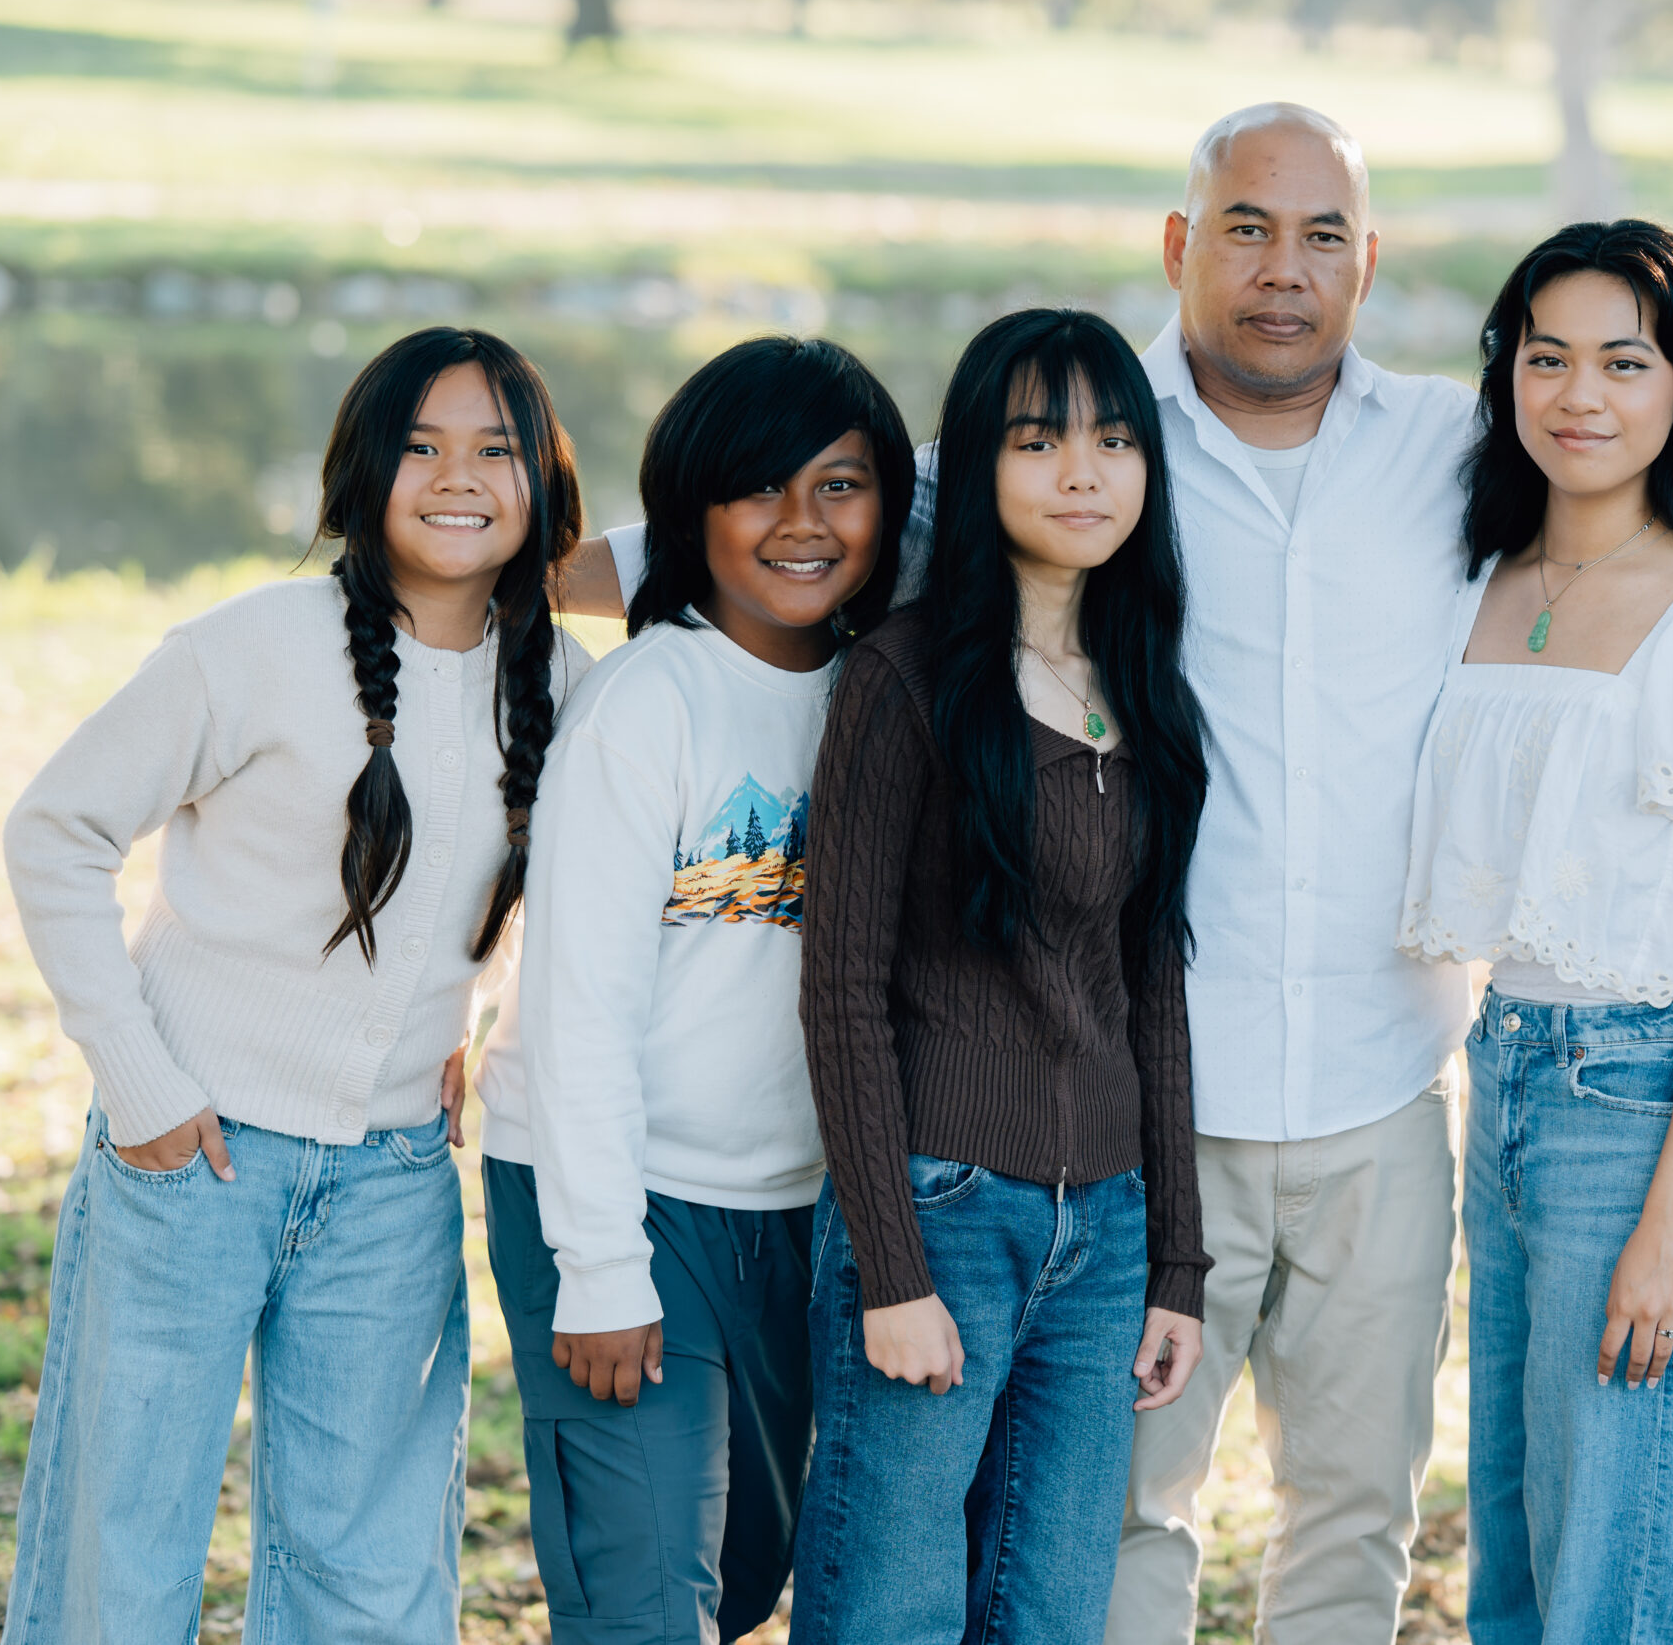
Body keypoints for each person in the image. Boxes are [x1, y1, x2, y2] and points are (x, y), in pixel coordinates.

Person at [561, 103, 1489, 1644]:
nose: (1283, 268)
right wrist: (484, 564)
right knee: (1059, 1540)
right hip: (1003, 1170)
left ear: (1369, 260)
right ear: (1182, 245)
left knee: (1336, 1514)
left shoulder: (1446, 450)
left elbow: (1649, 515)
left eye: (1323, 234)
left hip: (1341, 1093)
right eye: (1247, 227)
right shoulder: (1057, 442)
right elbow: (786, 518)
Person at [0, 326, 588, 1643]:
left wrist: (481, 1020)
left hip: (389, 1183)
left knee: (369, 1574)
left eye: (498, 449)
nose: (457, 476)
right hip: (185, 1158)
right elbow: (55, 831)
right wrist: (138, 1081)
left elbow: (566, 898)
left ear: (542, 483)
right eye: (421, 445)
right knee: (124, 1545)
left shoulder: (562, 684)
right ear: (361, 470)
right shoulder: (251, 645)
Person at [1396, 220, 1673, 1642]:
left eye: (1624, 363)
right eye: (1547, 356)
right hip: (1504, 1078)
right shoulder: (1481, 581)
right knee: (1519, 1553)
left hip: (1644, 1106)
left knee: (1615, 1579)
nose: (1580, 393)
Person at [476, 337, 913, 1644]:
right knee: (648, 1592)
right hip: (621, 1192)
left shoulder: (888, 691)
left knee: (749, 1565)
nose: (800, 524)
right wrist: (600, 1269)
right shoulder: (648, 704)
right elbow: (579, 1004)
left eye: (839, 486)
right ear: (689, 513)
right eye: (756, 490)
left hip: (791, 1205)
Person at [788, 308, 1210, 1642]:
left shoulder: (1144, 690)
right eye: (1040, 441)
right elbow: (840, 987)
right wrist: (890, 1270)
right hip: (942, 1207)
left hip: (1104, 1232)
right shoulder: (903, 683)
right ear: (977, 466)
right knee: (890, 1607)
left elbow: (1154, 983)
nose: (1083, 472)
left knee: (1049, 1611)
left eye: (1114, 440)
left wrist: (1176, 1263)